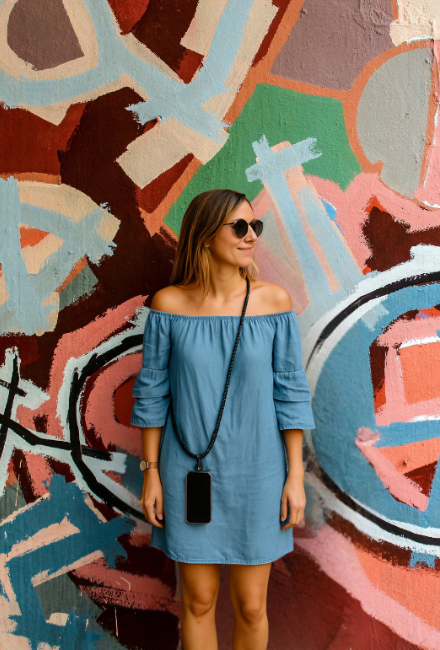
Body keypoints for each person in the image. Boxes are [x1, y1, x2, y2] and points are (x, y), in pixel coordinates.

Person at [131, 189, 314, 650]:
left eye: (256, 227)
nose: (251, 236)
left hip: (260, 472)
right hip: (188, 472)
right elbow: (153, 394)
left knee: (252, 605)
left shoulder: (273, 304)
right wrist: (151, 474)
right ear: (205, 237)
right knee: (198, 600)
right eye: (240, 227)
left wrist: (295, 476)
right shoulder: (168, 306)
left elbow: (290, 393)